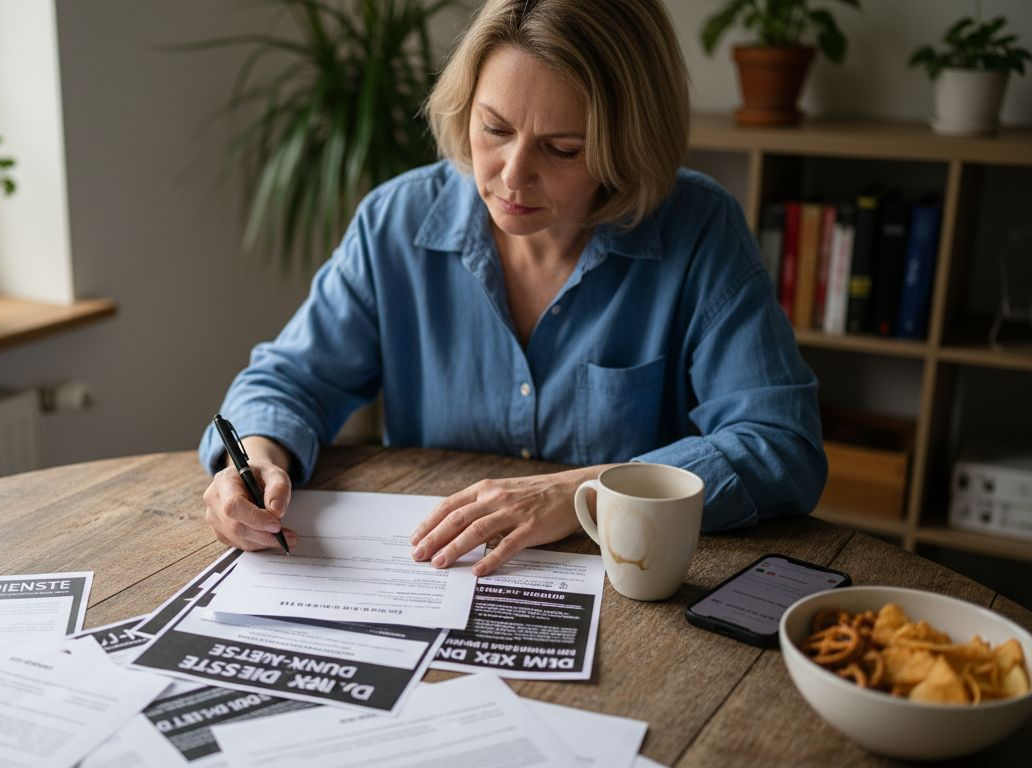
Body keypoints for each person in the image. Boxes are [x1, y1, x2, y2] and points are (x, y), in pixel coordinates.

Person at [199, 0, 827, 576]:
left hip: (623, 584)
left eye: (562, 149)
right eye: (494, 129)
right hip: (432, 578)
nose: (512, 175)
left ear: (627, 148)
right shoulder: (397, 222)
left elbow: (781, 447)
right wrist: (253, 456)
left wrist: (579, 493)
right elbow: (287, 381)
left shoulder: (699, 230)